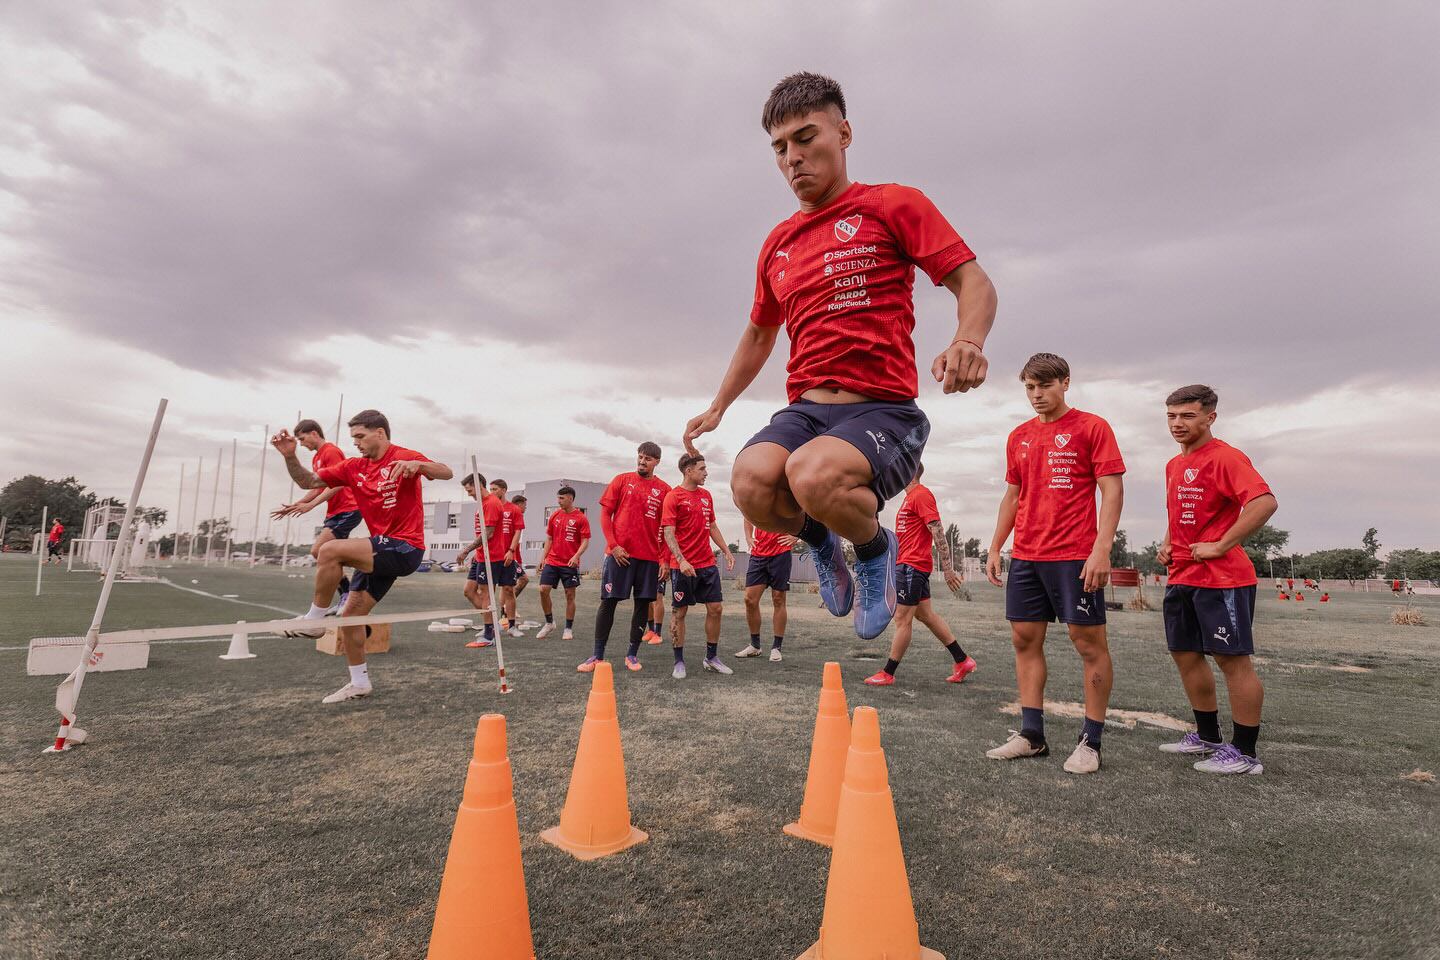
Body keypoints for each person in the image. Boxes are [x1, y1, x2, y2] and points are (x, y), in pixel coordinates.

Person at [682, 71, 997, 643]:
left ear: (844, 133)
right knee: (750, 483)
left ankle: (874, 551)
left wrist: (968, 341)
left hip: (882, 411)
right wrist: (718, 406)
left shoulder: (892, 204)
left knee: (811, 473)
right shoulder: (777, 243)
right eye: (780, 147)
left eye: (806, 138)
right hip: (807, 411)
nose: (792, 158)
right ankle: (823, 542)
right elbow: (759, 334)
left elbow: (973, 281)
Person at [983, 354, 1125, 775]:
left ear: (1065, 382)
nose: (1037, 394)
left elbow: (1112, 490)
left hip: (1075, 555)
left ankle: (1091, 742)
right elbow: (1013, 496)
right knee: (1024, 641)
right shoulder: (1019, 436)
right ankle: (1032, 735)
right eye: (1030, 387)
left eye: (1044, 385)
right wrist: (996, 547)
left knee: (1088, 644)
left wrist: (1102, 549)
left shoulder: (1092, 427)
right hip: (1027, 556)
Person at [272, 410, 452, 703]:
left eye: (360, 436)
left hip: (405, 547)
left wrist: (418, 465)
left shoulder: (402, 455)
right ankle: (359, 683)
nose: (355, 442)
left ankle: (314, 620)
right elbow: (308, 481)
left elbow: (446, 472)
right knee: (350, 618)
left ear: (379, 433)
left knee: (328, 550)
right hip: (380, 550)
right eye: (353, 437)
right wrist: (290, 456)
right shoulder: (353, 467)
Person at [1155, 384, 1278, 775]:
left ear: (1210, 417)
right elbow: (1182, 513)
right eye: (1172, 415)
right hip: (1182, 575)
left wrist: (1222, 544)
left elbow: (1264, 502)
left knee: (1232, 661)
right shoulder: (1173, 465)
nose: (1177, 423)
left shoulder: (1226, 457)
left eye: (1187, 415)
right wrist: (1168, 542)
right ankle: (1207, 737)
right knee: (1185, 654)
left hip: (1223, 579)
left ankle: (1244, 753)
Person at [863, 463, 976, 687]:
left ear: (910, 471)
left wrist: (948, 569)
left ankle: (888, 673)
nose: (895, 475)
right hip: (909, 565)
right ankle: (962, 660)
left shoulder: (921, 495)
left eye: (899, 470)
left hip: (912, 566)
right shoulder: (909, 498)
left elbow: (937, 530)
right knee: (925, 615)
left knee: (902, 619)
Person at [578, 442, 671, 673]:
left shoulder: (664, 490)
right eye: (640, 457)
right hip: (620, 555)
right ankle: (597, 655)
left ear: (657, 462)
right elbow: (605, 515)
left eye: (648, 459)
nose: (642, 461)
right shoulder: (621, 480)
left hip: (649, 559)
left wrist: (664, 559)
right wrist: (614, 546)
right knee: (608, 602)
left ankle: (632, 655)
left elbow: (668, 528)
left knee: (642, 605)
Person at [271, 419, 362, 610]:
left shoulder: (330, 451)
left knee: (320, 551)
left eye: (302, 439)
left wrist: (311, 505)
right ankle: (348, 592)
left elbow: (339, 483)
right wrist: (298, 504)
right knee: (322, 553)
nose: (301, 444)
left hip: (348, 509)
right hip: (335, 512)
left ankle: (362, 571)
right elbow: (317, 487)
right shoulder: (317, 458)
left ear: (314, 433)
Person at [661, 453, 737, 678]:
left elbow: (711, 526)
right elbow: (668, 532)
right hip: (683, 566)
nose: (706, 473)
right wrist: (681, 560)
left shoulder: (706, 496)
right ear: (688, 471)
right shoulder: (673, 497)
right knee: (679, 612)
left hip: (707, 564)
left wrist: (726, 550)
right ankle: (678, 662)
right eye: (702, 469)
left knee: (716, 609)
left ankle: (711, 658)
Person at [457, 474, 507, 649]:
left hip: (491, 557)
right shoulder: (482, 504)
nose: (469, 494)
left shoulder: (491, 503)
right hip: (481, 555)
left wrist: (466, 549)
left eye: (470, 490)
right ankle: (493, 625)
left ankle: (488, 635)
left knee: (486, 593)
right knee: (469, 591)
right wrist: (476, 552)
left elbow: (488, 533)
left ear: (479, 486)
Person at [736, 517, 794, 662]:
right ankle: (755, 646)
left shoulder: (788, 500)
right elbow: (747, 516)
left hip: (781, 552)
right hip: (758, 554)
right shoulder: (756, 501)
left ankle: (776, 648)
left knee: (778, 599)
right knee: (750, 600)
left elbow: (806, 513)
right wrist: (748, 537)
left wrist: (797, 536)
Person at [536, 485, 590, 640]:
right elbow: (549, 538)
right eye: (558, 498)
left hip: (569, 564)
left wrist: (576, 556)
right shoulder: (555, 515)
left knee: (570, 595)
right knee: (543, 590)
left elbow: (585, 541)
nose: (558, 501)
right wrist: (543, 558)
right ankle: (549, 623)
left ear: (570, 498)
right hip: (552, 561)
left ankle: (568, 628)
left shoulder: (581, 518)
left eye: (562, 498)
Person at [489, 479, 525, 637]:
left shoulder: (514, 509)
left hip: (507, 557)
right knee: (489, 592)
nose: (492, 492)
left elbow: (518, 532)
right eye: (490, 489)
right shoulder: (488, 507)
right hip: (491, 556)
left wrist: (511, 551)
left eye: (495, 489)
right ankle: (490, 626)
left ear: (504, 490)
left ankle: (511, 626)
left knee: (509, 590)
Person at [510, 494, 531, 599]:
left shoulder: (517, 516)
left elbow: (517, 542)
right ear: (519, 504)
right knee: (522, 580)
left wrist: (519, 559)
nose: (526, 507)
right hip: (508, 555)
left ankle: (507, 606)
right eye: (524, 505)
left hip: (513, 555)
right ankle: (506, 606)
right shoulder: (512, 515)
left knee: (510, 584)